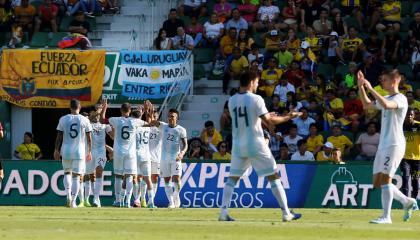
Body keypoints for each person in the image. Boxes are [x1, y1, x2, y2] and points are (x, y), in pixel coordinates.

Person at [219, 71, 302, 222]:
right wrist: (289, 116)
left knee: (232, 179)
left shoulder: (231, 100)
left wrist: (262, 115)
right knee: (273, 176)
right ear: (251, 82)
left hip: (238, 145)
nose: (258, 85)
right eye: (257, 82)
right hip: (255, 143)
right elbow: (269, 120)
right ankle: (286, 213)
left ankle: (223, 212)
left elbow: (248, 119)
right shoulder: (256, 99)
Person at [357, 69, 418, 224]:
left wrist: (371, 88)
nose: (381, 82)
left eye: (384, 80)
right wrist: (361, 87)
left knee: (386, 180)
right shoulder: (385, 96)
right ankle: (406, 201)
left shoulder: (401, 98)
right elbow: (366, 105)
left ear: (394, 81)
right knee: (377, 182)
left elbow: (387, 105)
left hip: (394, 143)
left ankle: (386, 217)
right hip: (383, 145)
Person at [54, 99, 92, 208]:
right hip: (79, 151)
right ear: (80, 107)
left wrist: (56, 150)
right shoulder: (84, 120)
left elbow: (59, 136)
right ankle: (74, 201)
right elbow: (89, 138)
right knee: (76, 176)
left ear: (70, 107)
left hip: (65, 150)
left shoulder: (63, 119)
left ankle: (68, 196)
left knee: (67, 173)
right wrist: (89, 151)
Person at [108, 103, 147, 208]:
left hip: (118, 152)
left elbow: (103, 119)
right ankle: (127, 201)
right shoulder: (134, 121)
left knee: (118, 176)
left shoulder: (115, 120)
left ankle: (117, 200)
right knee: (130, 176)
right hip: (130, 153)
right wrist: (143, 113)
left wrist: (104, 108)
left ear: (121, 110)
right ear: (130, 110)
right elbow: (147, 124)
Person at [153, 109, 188, 208]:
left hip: (175, 158)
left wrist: (182, 153)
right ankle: (171, 202)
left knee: (176, 179)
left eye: (172, 116)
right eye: (169, 116)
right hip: (164, 158)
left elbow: (186, 145)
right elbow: (152, 122)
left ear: (177, 118)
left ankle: (176, 195)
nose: (170, 118)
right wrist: (149, 112)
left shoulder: (181, 129)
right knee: (167, 180)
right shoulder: (163, 126)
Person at [84, 107, 112, 208]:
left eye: (98, 115)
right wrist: (98, 112)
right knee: (89, 175)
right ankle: (89, 199)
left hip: (101, 152)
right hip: (90, 152)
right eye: (94, 114)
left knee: (99, 171)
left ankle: (95, 198)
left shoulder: (105, 126)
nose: (96, 116)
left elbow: (113, 136)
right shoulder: (88, 124)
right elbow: (89, 118)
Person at [131, 109, 155, 209]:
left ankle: (136, 200)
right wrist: (147, 112)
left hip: (135, 155)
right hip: (146, 155)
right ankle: (151, 201)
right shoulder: (147, 128)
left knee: (135, 178)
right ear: (140, 117)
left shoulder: (133, 128)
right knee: (148, 179)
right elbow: (150, 122)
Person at [400, 108, 420, 199]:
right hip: (404, 158)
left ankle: (414, 200)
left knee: (415, 180)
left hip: (417, 159)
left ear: (414, 116)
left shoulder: (418, 126)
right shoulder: (400, 126)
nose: (409, 116)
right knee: (405, 178)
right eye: (408, 115)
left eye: (411, 115)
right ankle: (405, 201)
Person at [148, 111, 162, 206]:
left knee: (155, 178)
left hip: (156, 157)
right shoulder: (145, 127)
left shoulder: (161, 129)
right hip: (145, 157)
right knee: (144, 178)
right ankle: (141, 200)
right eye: (152, 116)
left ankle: (151, 200)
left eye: (155, 116)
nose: (154, 118)